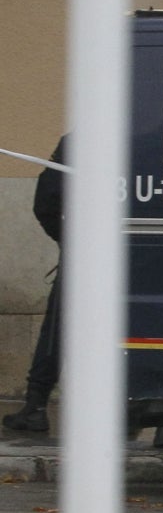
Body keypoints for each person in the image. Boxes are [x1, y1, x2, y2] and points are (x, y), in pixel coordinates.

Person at [3, 136, 66, 433]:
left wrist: (70, 238)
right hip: (151, 253)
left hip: (89, 255)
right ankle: (162, 421)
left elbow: (46, 201)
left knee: (58, 329)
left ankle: (37, 406)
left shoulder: (80, 141)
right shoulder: (160, 138)